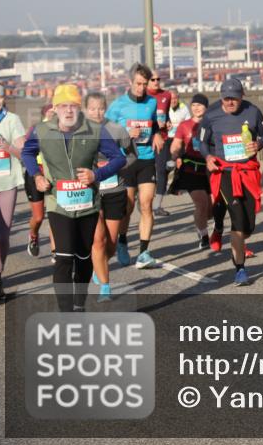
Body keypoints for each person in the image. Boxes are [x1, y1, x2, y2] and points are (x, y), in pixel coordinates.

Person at [21, 84, 126, 312]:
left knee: (83, 256)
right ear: (55, 108)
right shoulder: (42, 131)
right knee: (64, 257)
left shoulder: (96, 130)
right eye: (63, 106)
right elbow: (27, 153)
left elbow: (119, 159)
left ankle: (79, 304)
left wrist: (95, 174)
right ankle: (66, 312)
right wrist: (37, 176)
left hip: (87, 204)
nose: (68, 111)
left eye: (73, 106)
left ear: (79, 109)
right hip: (58, 204)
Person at [200, 78, 263, 286]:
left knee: (248, 226)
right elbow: (202, 142)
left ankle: (224, 228)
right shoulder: (211, 115)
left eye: (234, 98)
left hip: (247, 172)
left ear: (242, 96)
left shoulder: (253, 111)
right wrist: (208, 158)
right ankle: (240, 268)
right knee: (238, 222)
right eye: (226, 98)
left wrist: (257, 144)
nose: (230, 102)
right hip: (224, 172)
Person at [105, 63, 165, 269]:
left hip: (146, 158)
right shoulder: (118, 105)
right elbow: (105, 131)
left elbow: (154, 124)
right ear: (130, 82)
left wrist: (156, 134)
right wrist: (125, 134)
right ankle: (122, 241)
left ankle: (144, 252)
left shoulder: (151, 103)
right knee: (128, 207)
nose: (141, 88)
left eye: (144, 84)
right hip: (126, 160)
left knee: (147, 203)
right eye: (138, 84)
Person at [85, 92, 134, 302]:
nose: (97, 112)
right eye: (93, 108)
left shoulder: (116, 129)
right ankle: (105, 287)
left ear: (106, 108)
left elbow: (132, 156)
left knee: (111, 244)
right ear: (86, 110)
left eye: (101, 108)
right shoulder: (80, 132)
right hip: (92, 192)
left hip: (115, 189)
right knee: (98, 240)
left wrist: (116, 167)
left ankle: (100, 266)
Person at [0, 77, 26, 306]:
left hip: (7, 183)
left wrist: (1, 141)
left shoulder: (12, 120)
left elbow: (21, 153)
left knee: (3, 235)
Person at [169, 93, 212, 249]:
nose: (196, 107)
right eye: (194, 105)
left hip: (209, 169)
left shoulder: (212, 124)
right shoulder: (184, 125)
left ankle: (201, 225)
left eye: (200, 105)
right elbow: (176, 144)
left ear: (206, 107)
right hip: (190, 169)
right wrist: (174, 155)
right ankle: (204, 236)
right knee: (201, 203)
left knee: (210, 210)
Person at [23, 104, 54, 259]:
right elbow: (26, 150)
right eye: (50, 112)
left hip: (54, 174)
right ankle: (33, 236)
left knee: (55, 213)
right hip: (35, 174)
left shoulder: (63, 129)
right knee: (39, 217)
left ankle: (56, 252)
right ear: (44, 114)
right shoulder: (36, 129)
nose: (53, 114)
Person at [150, 79, 177, 217]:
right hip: (147, 140)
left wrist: (168, 123)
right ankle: (146, 201)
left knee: (164, 170)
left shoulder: (166, 95)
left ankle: (157, 205)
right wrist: (154, 124)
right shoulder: (142, 96)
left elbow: (166, 116)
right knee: (151, 171)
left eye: (158, 79)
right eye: (152, 79)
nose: (156, 81)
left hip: (163, 138)